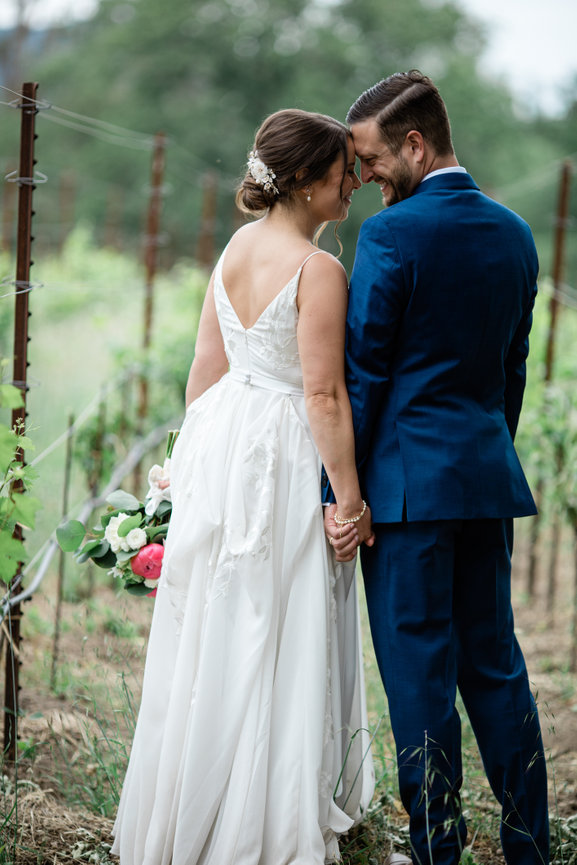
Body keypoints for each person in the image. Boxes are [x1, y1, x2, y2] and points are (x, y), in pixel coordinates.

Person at [111, 108, 376, 865]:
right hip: (283, 453)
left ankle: (196, 804)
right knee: (275, 616)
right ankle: (259, 820)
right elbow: (323, 396)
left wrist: (189, 461)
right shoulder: (318, 269)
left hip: (223, 440)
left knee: (219, 621)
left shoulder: (235, 247)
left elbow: (207, 363)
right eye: (339, 169)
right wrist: (347, 500)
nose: (351, 180)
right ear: (300, 179)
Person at [325, 71, 550, 865]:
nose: (363, 177)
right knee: (495, 667)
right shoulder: (515, 233)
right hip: (481, 482)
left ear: (414, 144)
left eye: (371, 159)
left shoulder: (391, 235)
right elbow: (510, 371)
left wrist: (340, 494)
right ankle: (530, 846)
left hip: (403, 496)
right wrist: (478, 456)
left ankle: (437, 853)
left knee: (419, 678)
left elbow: (364, 375)